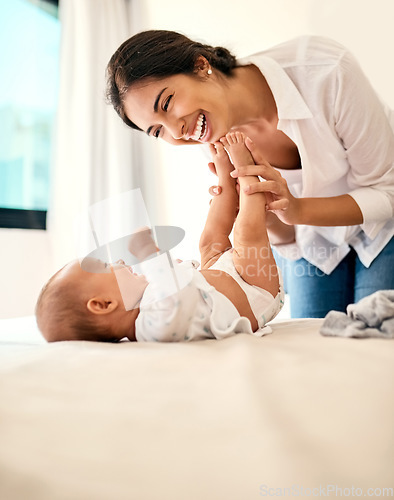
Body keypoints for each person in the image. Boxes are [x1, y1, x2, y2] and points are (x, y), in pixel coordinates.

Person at [105, 30, 394, 318]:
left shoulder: (326, 71)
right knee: (312, 344)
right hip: (315, 239)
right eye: (157, 131)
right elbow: (288, 234)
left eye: (166, 103)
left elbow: (387, 192)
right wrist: (262, 213)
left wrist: (296, 209)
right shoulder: (212, 137)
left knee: (372, 336)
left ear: (200, 65)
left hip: (385, 225)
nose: (176, 131)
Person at [36, 133, 284, 343]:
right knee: (245, 235)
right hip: (253, 290)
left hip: (221, 278)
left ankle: (226, 180)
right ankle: (246, 172)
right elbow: (172, 296)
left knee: (208, 242)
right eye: (105, 266)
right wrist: (148, 252)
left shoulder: (148, 308)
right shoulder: (152, 327)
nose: (119, 261)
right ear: (103, 304)